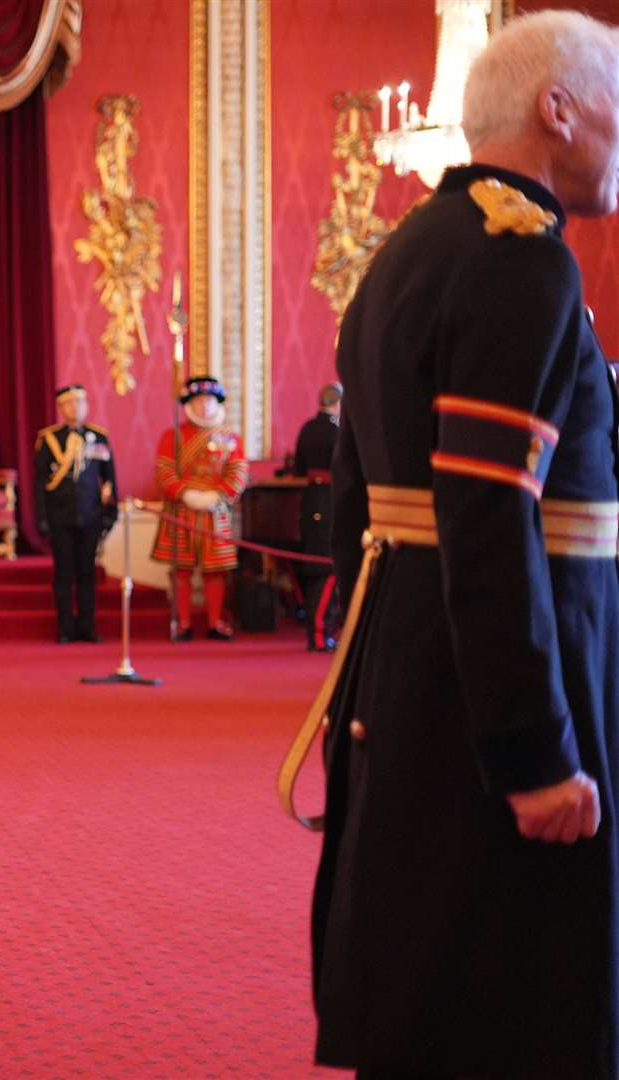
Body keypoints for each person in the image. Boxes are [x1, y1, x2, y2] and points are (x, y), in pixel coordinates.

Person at [312, 13, 619, 1076]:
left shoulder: (404, 252)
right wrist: (537, 755)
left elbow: (357, 514)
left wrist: (363, 697)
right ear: (558, 107)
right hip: (510, 699)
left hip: (413, 679)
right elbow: (489, 519)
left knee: (424, 991)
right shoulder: (522, 262)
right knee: (521, 1012)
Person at [150, 376, 248, 640]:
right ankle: (183, 622)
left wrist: (218, 495)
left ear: (217, 403)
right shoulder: (173, 435)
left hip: (216, 512)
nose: (204, 406)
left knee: (215, 570)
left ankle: (215, 621)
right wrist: (185, 494)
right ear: (189, 404)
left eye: (209, 400)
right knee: (181, 569)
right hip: (181, 510)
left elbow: (238, 473)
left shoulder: (231, 438)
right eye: (198, 400)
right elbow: (164, 471)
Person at [33, 384, 117, 643]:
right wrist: (42, 518)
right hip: (60, 516)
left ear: (87, 406)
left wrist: (109, 513)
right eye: (69, 403)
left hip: (90, 515)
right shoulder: (48, 439)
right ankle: (65, 627)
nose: (75, 407)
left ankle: (88, 626)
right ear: (61, 408)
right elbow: (39, 483)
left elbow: (110, 479)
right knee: (63, 573)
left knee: (87, 574)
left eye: (80, 402)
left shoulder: (99, 437)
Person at [290, 382, 341, 652]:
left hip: (311, 500)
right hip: (330, 501)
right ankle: (319, 633)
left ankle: (318, 630)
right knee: (326, 568)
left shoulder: (308, 428)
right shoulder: (337, 430)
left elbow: (298, 467)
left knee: (315, 568)